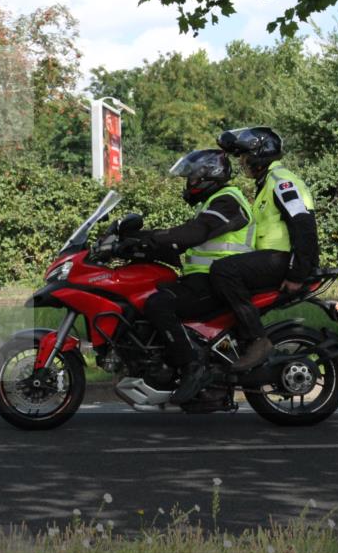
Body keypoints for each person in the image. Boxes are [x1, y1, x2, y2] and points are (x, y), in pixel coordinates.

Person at [134, 149, 255, 404]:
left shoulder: (228, 200)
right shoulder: (212, 204)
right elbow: (187, 235)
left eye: (190, 178)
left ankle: (192, 366)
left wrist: (155, 239)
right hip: (204, 280)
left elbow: (194, 233)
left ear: (206, 176)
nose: (187, 183)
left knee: (158, 304)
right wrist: (137, 240)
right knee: (150, 290)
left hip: (218, 283)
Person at [211, 126, 318, 372]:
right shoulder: (267, 183)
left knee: (223, 271)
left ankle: (257, 340)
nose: (242, 162)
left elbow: (304, 226)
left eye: (245, 156)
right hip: (273, 260)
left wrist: (297, 274)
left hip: (283, 261)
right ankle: (227, 355)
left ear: (261, 155)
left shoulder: (282, 182)